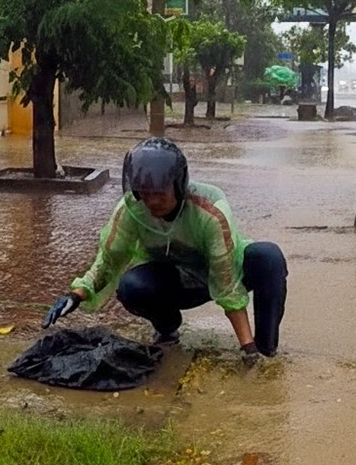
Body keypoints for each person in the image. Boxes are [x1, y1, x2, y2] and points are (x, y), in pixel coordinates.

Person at [42, 138, 287, 366]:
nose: (152, 202)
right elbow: (108, 260)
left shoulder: (210, 211)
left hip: (227, 272)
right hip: (179, 282)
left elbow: (227, 282)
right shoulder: (132, 210)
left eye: (160, 193)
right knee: (131, 286)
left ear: (179, 186)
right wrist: (76, 294)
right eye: (145, 193)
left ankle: (265, 348)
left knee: (269, 258)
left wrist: (247, 349)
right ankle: (167, 328)